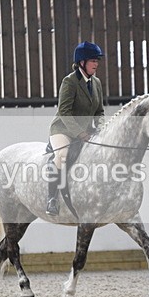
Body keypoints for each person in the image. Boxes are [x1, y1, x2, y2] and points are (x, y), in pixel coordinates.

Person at [45, 41, 106, 215]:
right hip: (63, 129)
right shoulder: (69, 82)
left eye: (97, 61)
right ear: (82, 63)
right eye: (93, 61)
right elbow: (64, 111)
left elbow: (99, 112)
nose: (96, 64)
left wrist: (101, 128)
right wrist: (80, 133)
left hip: (86, 132)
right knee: (62, 156)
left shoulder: (97, 83)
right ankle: (52, 199)